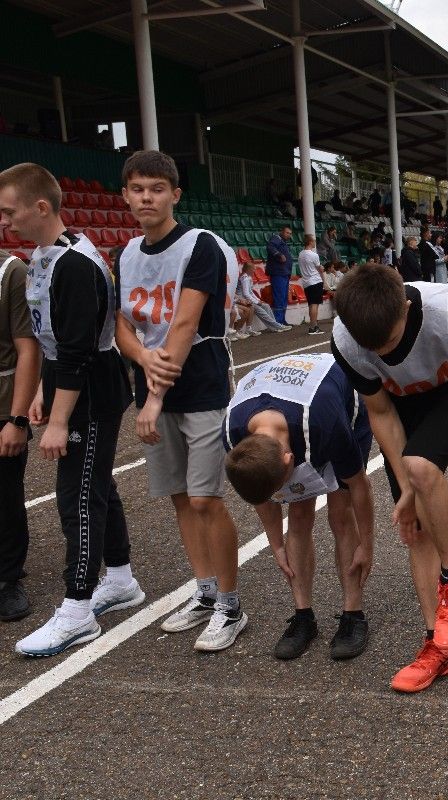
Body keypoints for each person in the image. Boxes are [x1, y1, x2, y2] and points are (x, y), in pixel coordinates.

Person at [330, 263, 448, 692]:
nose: (383, 354)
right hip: (402, 409)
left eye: (392, 343)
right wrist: (405, 492)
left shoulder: (444, 309)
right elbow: (379, 412)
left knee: (420, 466)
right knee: (412, 525)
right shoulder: (345, 337)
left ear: (405, 307)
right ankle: (440, 644)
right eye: (373, 350)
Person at [0, 163, 141, 656]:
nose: (5, 221)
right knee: (98, 484)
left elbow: (78, 349)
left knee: (77, 497)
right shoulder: (44, 255)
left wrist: (58, 420)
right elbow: (50, 336)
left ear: (41, 207)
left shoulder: (76, 264)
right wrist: (42, 389)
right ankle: (120, 578)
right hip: (71, 382)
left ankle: (78, 609)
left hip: (91, 392)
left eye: (9, 211)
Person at [113, 150, 248, 652]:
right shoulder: (125, 253)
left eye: (157, 188)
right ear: (125, 196)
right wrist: (143, 363)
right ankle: (206, 591)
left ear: (175, 195)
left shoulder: (201, 247)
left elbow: (185, 325)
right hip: (155, 385)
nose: (146, 197)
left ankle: (231, 606)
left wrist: (151, 396)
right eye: (137, 189)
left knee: (205, 498)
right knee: (179, 497)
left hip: (201, 388)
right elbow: (123, 325)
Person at [224, 354, 374, 660]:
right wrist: (276, 545)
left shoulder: (325, 419)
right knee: (299, 513)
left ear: (290, 459)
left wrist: (367, 546)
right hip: (282, 402)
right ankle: (304, 616)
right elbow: (262, 495)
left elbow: (359, 486)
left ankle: (352, 614)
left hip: (340, 406)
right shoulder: (233, 434)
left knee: (340, 515)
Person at [0, 247, 38, 622]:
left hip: (3, 404)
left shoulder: (11, 271)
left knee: (5, 494)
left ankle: (8, 578)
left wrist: (18, 417)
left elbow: (28, 348)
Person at [237, 262, 291, 334]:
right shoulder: (245, 278)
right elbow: (246, 294)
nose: (254, 271)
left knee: (266, 306)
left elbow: (250, 292)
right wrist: (257, 302)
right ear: (248, 269)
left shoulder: (248, 277)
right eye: (253, 269)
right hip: (243, 300)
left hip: (247, 299)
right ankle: (278, 326)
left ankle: (274, 327)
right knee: (261, 311)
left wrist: (259, 300)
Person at [266, 225, 293, 325]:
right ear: (281, 231)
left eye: (290, 234)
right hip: (278, 273)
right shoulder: (276, 238)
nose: (289, 235)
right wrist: (279, 254)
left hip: (284, 273)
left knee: (284, 298)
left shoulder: (284, 242)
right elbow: (270, 247)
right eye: (287, 233)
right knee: (279, 297)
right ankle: (278, 321)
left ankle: (282, 320)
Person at [298, 234, 325, 336]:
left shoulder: (301, 254)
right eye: (313, 240)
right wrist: (321, 271)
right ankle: (314, 327)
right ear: (310, 242)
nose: (314, 242)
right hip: (315, 281)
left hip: (306, 282)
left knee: (311, 304)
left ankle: (313, 326)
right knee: (315, 305)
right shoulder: (314, 255)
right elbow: (320, 269)